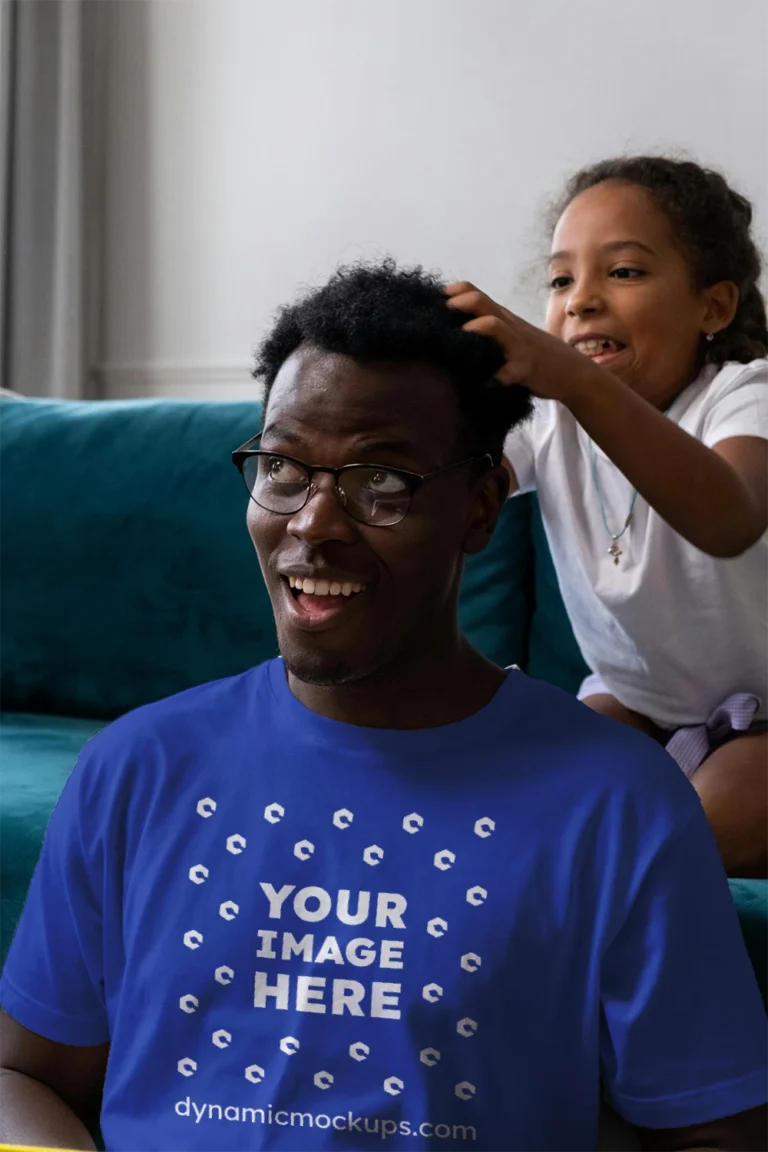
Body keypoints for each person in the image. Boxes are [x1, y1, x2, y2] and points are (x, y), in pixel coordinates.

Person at [1, 261, 768, 1152]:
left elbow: (717, 1135)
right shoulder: (134, 770)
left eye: (382, 482)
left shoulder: (619, 804)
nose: (315, 522)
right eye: (284, 467)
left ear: (481, 508)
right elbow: (24, 1075)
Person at [447, 156, 768, 879]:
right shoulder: (547, 416)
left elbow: (731, 518)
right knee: (523, 810)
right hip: (637, 703)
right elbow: (462, 487)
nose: (580, 300)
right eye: (561, 280)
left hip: (766, 722)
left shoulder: (745, 395)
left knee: (689, 839)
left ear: (712, 308)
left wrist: (575, 380)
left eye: (622, 272)